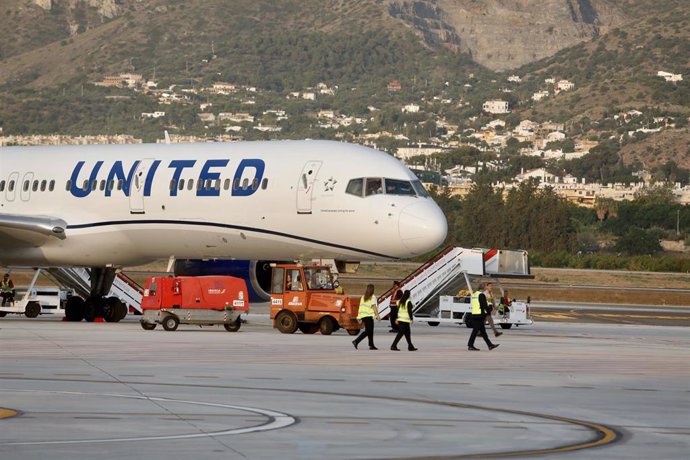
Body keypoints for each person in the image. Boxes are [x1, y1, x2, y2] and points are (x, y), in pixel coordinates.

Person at [468, 282, 499, 351]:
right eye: (485, 286)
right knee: (475, 331)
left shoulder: (474, 294)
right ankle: (470, 345)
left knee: (483, 332)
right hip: (480, 315)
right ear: (483, 288)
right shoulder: (481, 295)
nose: (486, 287)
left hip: (474, 314)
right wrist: (489, 311)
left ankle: (490, 345)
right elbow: (484, 305)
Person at [352, 284, 380, 350]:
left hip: (363, 316)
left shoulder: (363, 297)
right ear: (373, 290)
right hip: (368, 316)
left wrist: (359, 317)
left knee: (370, 331)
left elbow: (360, 307)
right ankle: (356, 341)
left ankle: (371, 345)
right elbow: (374, 307)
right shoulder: (372, 297)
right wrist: (377, 315)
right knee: (368, 331)